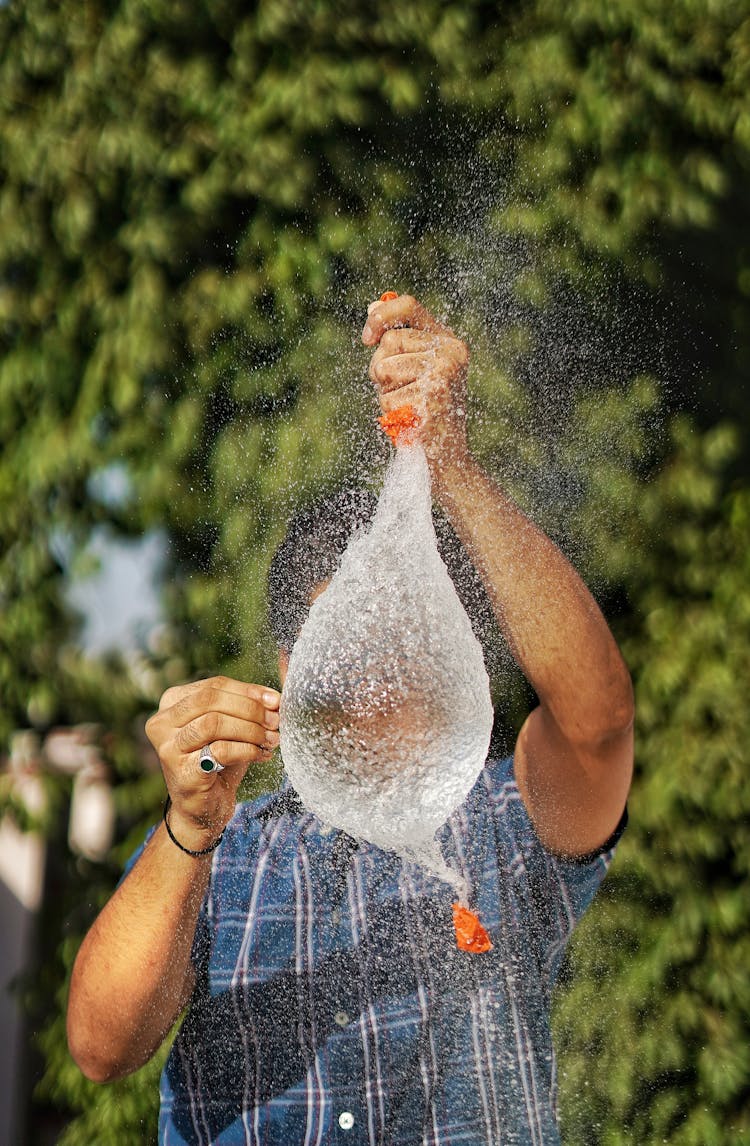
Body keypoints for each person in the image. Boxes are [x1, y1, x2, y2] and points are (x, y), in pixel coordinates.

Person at [66, 294, 634, 1145]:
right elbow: (100, 1046)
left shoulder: (502, 828)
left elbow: (597, 724)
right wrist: (189, 824)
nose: (378, 680)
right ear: (291, 672)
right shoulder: (222, 851)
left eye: (403, 641)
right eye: (350, 650)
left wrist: (455, 469)